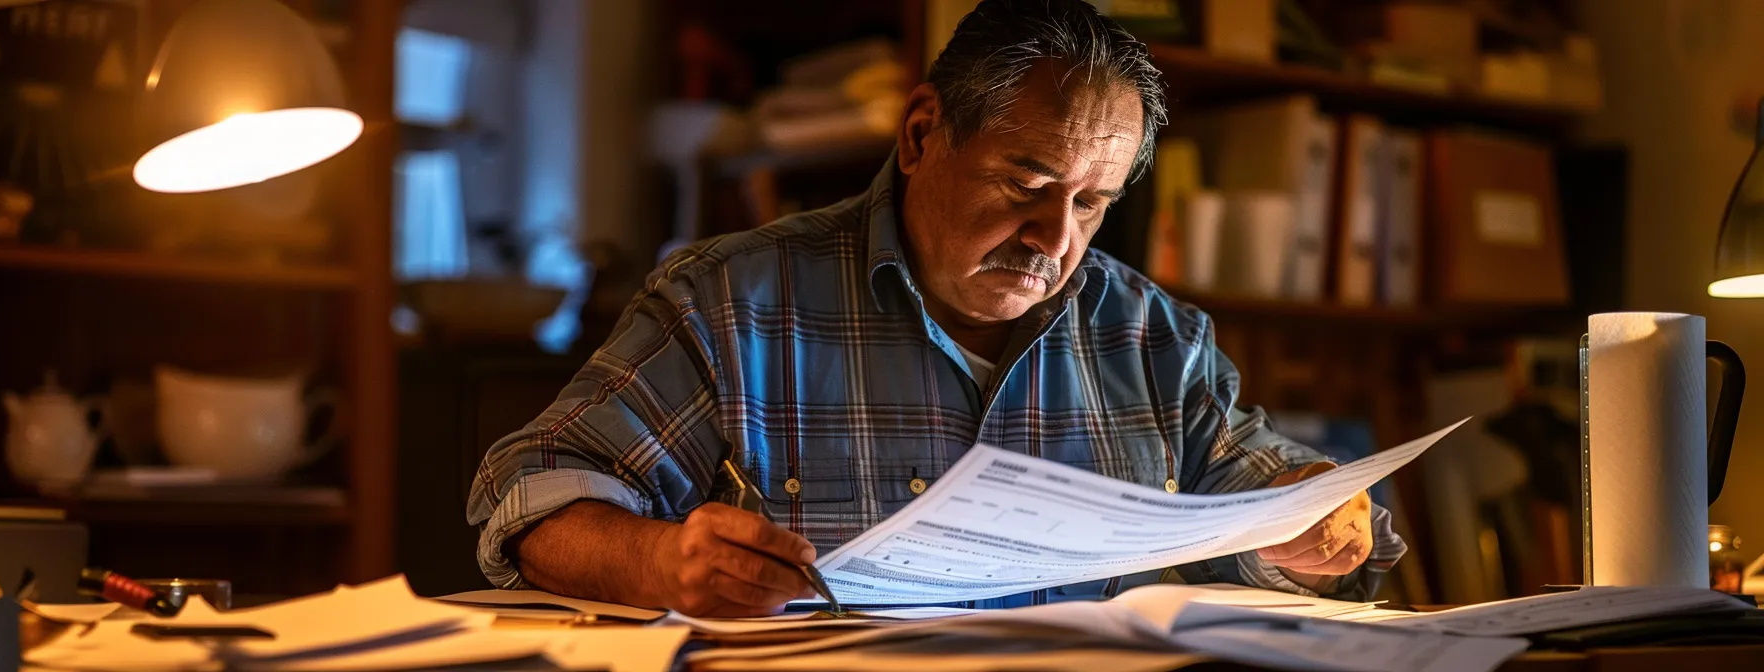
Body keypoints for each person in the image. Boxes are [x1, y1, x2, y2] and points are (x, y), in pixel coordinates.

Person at [467, 0, 1402, 617]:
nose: (1052, 239)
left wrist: (1312, 526)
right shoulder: (733, 302)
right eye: (1025, 182)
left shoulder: (1155, 338)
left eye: (1090, 203)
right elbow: (535, 495)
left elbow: (1265, 491)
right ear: (921, 134)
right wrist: (661, 563)